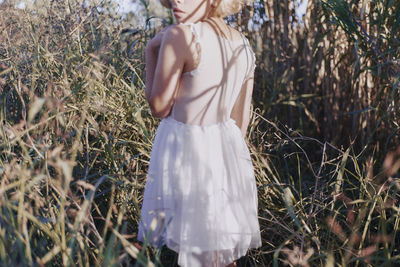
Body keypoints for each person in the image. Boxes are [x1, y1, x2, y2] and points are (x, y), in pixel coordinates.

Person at [137, 0, 262, 265]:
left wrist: (151, 50)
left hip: (188, 157)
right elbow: (240, 121)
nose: (176, 1)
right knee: (220, 254)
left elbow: (158, 107)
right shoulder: (243, 45)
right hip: (226, 157)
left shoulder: (179, 35)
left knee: (201, 256)